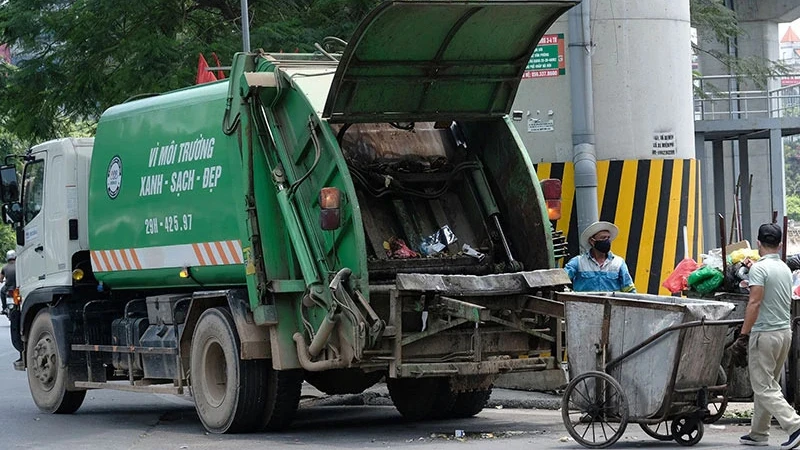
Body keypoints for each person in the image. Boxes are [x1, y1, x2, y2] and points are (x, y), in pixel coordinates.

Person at [731, 223, 800, 449]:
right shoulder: (785, 269)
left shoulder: (759, 269)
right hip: (784, 333)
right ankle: (759, 433)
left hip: (765, 334)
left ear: (758, 243)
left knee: (763, 386)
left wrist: (743, 335)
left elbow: (755, 302)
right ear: (780, 245)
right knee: (768, 383)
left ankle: (795, 425)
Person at [563, 221, 636, 292]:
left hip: (610, 304)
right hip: (585, 304)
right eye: (603, 238)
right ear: (592, 241)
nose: (606, 241)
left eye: (608, 238)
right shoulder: (578, 262)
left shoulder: (618, 263)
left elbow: (629, 289)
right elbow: (561, 279)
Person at [0, 249, 15, 315]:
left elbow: (0, 279)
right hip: (17, 286)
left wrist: (2, 280)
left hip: (8, 287)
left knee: (2, 292)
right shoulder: (19, 266)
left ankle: (4, 308)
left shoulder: (4, 267)